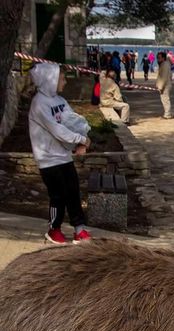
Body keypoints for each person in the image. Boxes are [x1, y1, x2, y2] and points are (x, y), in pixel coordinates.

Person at [28, 63, 93, 244]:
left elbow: (74, 122)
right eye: (62, 78)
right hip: (48, 159)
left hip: (63, 156)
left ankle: (79, 229)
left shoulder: (59, 101)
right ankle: (53, 229)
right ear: (51, 79)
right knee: (58, 195)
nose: (65, 82)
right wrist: (79, 140)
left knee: (73, 191)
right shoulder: (39, 104)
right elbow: (57, 129)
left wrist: (83, 139)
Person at [156, 52, 172, 119]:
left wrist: (160, 86)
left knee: (165, 100)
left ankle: (167, 114)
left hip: (165, 85)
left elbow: (164, 77)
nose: (158, 59)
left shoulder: (165, 65)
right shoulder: (164, 64)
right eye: (157, 58)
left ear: (163, 58)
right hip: (166, 84)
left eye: (159, 58)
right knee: (164, 99)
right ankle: (167, 113)